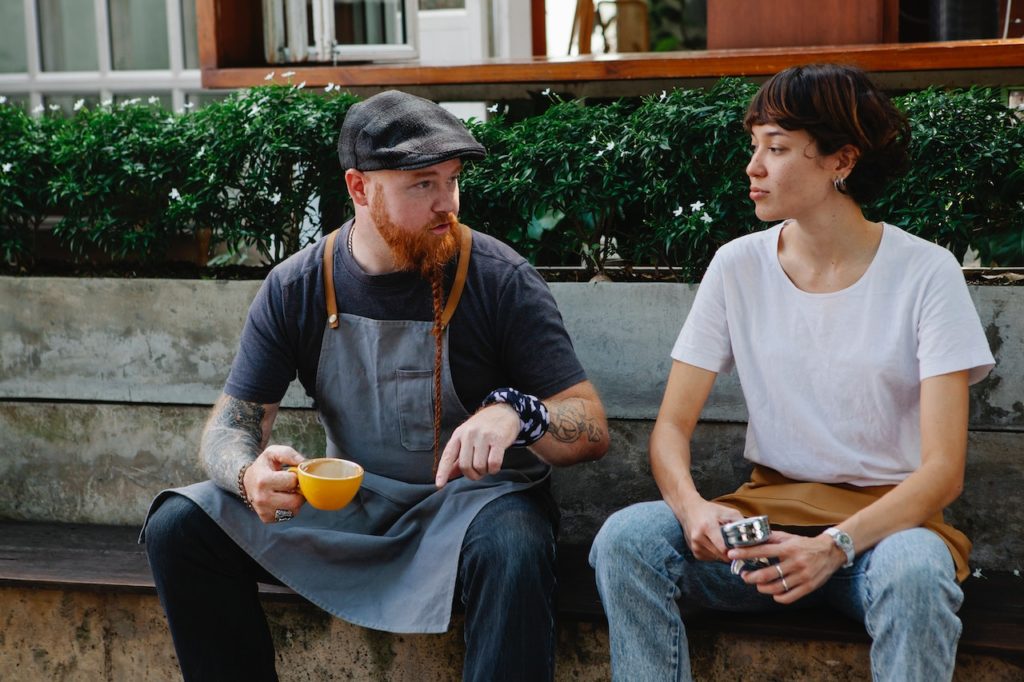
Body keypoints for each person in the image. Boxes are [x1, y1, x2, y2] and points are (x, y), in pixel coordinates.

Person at [143, 90, 609, 682]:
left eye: (453, 180)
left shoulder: (499, 278)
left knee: (515, 543)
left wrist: (521, 413)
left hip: (473, 512)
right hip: (358, 508)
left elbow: (591, 427)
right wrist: (248, 475)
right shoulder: (296, 287)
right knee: (180, 525)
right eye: (422, 184)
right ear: (360, 188)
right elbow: (231, 427)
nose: (448, 204)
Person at [589, 63, 995, 681]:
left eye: (776, 148)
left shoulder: (925, 273)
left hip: (884, 536)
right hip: (764, 528)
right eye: (754, 146)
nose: (753, 166)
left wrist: (834, 546)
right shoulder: (736, 267)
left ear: (841, 161)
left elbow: (943, 474)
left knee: (916, 573)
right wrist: (695, 509)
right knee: (627, 539)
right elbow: (671, 427)